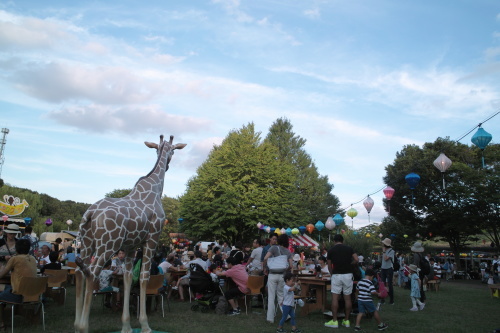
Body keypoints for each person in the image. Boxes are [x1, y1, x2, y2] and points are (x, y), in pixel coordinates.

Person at [0, 239, 37, 329]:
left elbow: (1, 275)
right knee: (4, 288)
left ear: (16, 249)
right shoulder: (32, 258)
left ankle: (1, 323)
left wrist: (2, 266)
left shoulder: (15, 259)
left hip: (19, 294)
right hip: (33, 294)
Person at [325, 234, 358, 329]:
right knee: (347, 298)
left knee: (335, 298)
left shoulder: (331, 250)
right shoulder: (349, 248)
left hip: (337, 275)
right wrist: (350, 265)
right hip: (348, 275)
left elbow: (329, 265)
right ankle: (346, 320)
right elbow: (356, 259)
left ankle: (334, 321)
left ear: (334, 241)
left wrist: (332, 274)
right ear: (342, 240)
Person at [263, 234, 293, 323]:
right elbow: (291, 266)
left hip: (272, 274)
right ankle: (286, 315)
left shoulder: (273, 248)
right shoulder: (288, 252)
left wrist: (265, 267)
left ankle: (270, 318)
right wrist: (285, 269)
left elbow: (265, 258)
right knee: (281, 296)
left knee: (271, 296)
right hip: (282, 275)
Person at [380, 238, 395, 305]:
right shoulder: (385, 250)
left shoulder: (392, 251)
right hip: (383, 268)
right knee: (382, 284)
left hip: (389, 268)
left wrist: (383, 252)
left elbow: (386, 259)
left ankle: (391, 300)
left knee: (389, 284)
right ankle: (382, 299)